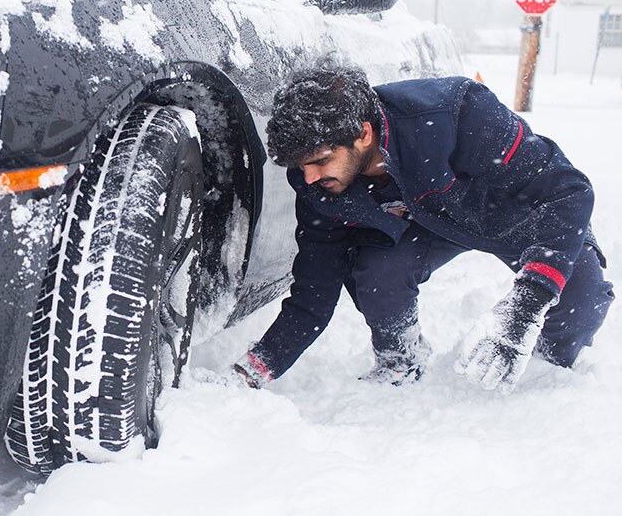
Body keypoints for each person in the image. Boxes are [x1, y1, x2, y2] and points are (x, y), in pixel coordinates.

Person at [234, 64, 613, 393]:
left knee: (581, 299)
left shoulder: (457, 114)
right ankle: (400, 362)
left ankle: (547, 368)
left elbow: (567, 191)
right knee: (378, 272)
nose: (309, 176)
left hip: (518, 216)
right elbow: (314, 290)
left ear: (363, 134)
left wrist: (526, 305)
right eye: (301, 166)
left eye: (320, 160)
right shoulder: (318, 182)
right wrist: (259, 366)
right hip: (433, 224)